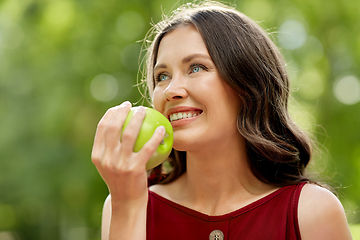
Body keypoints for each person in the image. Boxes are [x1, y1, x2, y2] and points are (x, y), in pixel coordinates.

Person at [91, 1, 353, 239]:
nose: (171, 90)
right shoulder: (126, 203)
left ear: (248, 85)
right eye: (162, 76)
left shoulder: (311, 212)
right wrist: (127, 208)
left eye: (196, 68)